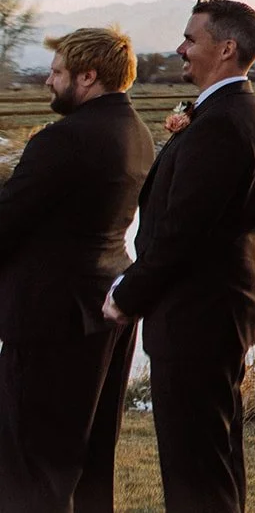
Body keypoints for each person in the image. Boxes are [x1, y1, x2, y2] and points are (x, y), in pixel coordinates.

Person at [105, 0, 255, 512]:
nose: (180, 49)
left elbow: (183, 232)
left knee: (195, 468)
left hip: (198, 314)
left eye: (190, 39)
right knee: (212, 458)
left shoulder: (224, 122)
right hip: (211, 311)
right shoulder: (235, 112)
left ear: (226, 49)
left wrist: (127, 295)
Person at [0, 27, 154, 512]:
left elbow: (8, 222)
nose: (48, 81)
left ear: (88, 76)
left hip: (51, 318)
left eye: (57, 72)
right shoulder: (138, 132)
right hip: (105, 307)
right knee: (88, 460)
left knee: (32, 465)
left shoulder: (63, 139)